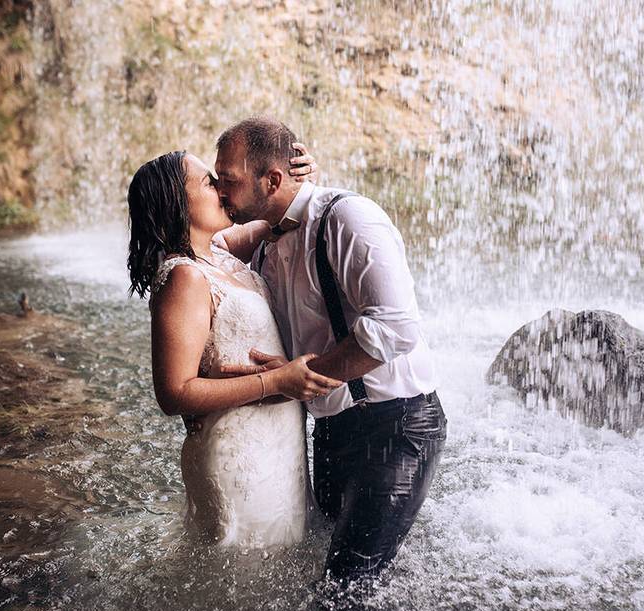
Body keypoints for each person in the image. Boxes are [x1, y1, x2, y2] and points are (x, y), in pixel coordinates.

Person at [215, 117, 447, 583]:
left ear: (273, 179)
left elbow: (396, 326)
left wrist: (307, 374)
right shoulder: (262, 240)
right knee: (325, 566)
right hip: (330, 430)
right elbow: (199, 246)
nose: (220, 192)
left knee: (347, 590)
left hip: (396, 426)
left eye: (230, 182)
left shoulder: (348, 217)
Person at [126, 147, 342, 547]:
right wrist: (277, 382)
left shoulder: (220, 253)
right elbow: (174, 393)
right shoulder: (184, 278)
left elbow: (280, 212)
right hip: (237, 452)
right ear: (177, 201)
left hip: (275, 439)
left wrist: (298, 177)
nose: (223, 189)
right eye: (210, 182)